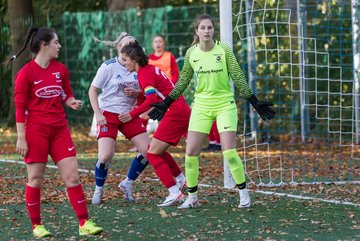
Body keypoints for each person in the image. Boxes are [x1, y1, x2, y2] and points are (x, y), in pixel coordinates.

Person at [148, 14, 276, 209]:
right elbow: (182, 82)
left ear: (213, 30)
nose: (207, 31)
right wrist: (166, 103)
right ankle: (192, 197)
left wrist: (254, 102)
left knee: (229, 152)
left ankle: (243, 194)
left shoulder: (224, 50)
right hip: (201, 106)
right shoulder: (192, 53)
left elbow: (238, 77)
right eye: (203, 28)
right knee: (190, 152)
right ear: (197, 31)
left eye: (210, 28)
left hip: (225, 104)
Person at [12, 26, 103, 238]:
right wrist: (21, 137)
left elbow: (65, 93)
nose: (59, 46)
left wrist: (71, 102)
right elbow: (19, 108)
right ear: (44, 46)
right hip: (36, 132)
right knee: (35, 179)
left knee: (72, 177)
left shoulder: (60, 69)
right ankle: (37, 226)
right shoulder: (25, 74)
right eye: (56, 43)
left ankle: (84, 222)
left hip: (60, 130)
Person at [119, 41, 189, 207]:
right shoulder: (148, 70)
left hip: (175, 113)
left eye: (125, 59)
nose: (124, 63)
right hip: (180, 110)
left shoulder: (143, 73)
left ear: (133, 59)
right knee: (158, 150)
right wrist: (139, 93)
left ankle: (174, 192)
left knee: (152, 154)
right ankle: (181, 180)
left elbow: (151, 99)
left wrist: (131, 115)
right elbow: (156, 93)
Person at [89, 33, 150, 204]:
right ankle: (99, 189)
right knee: (105, 155)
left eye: (132, 44)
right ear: (118, 48)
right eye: (125, 45)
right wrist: (98, 113)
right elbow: (92, 90)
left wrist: (138, 93)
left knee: (149, 151)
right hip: (108, 114)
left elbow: (148, 93)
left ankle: (128, 183)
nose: (128, 47)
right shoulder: (108, 67)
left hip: (129, 115)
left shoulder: (140, 68)